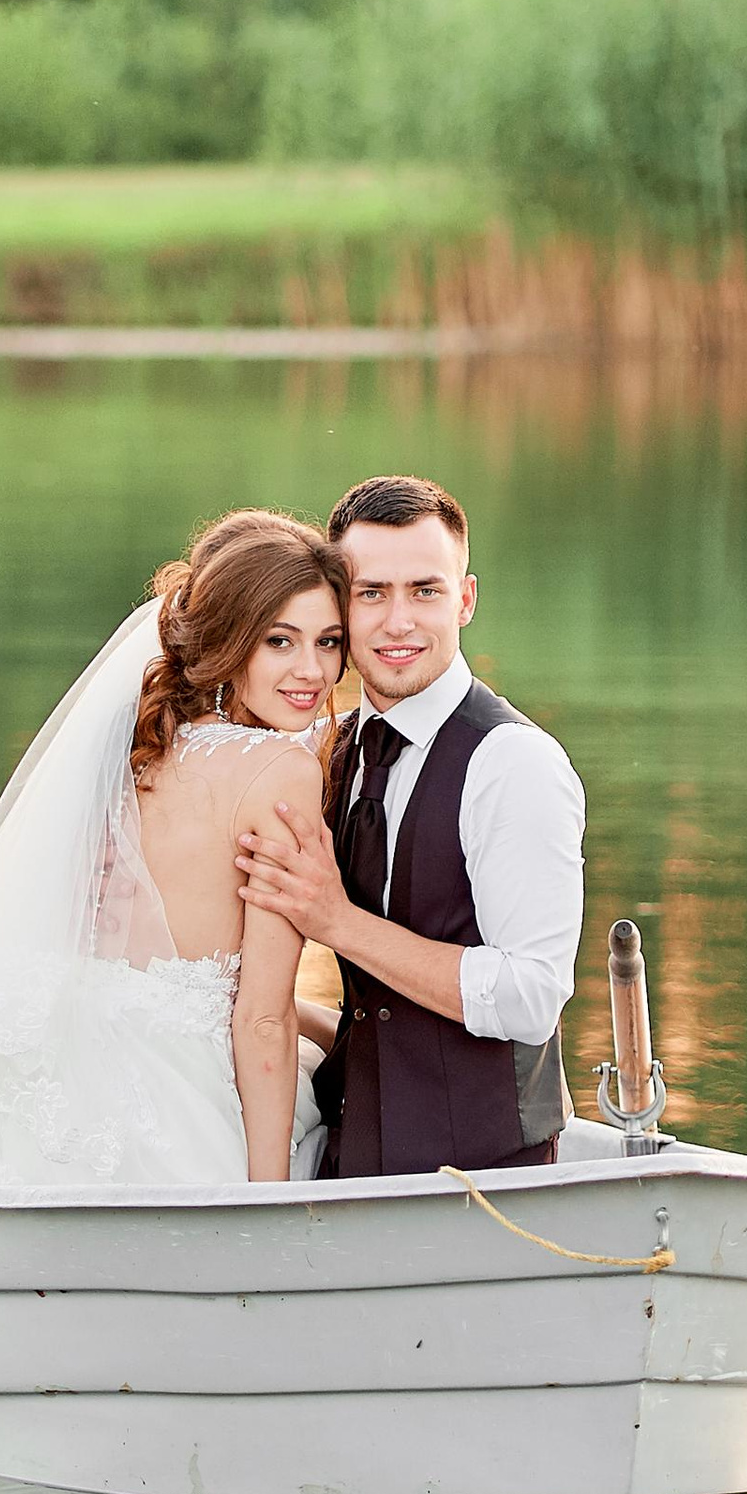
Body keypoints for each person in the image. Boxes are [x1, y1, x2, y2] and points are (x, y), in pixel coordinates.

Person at [0, 512, 348, 1195]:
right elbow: (260, 1018)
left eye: (329, 642)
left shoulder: (146, 740)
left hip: (61, 1041)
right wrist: (270, 1201)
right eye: (280, 641)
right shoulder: (283, 769)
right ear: (230, 641)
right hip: (175, 1083)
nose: (311, 671)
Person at [236, 472, 584, 1179]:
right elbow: (380, 1013)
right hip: (351, 1153)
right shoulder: (332, 750)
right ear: (341, 607)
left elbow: (529, 998)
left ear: (466, 599)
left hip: (483, 1179)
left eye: (425, 591)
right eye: (372, 594)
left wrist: (337, 923)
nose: (399, 622)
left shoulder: (512, 764)